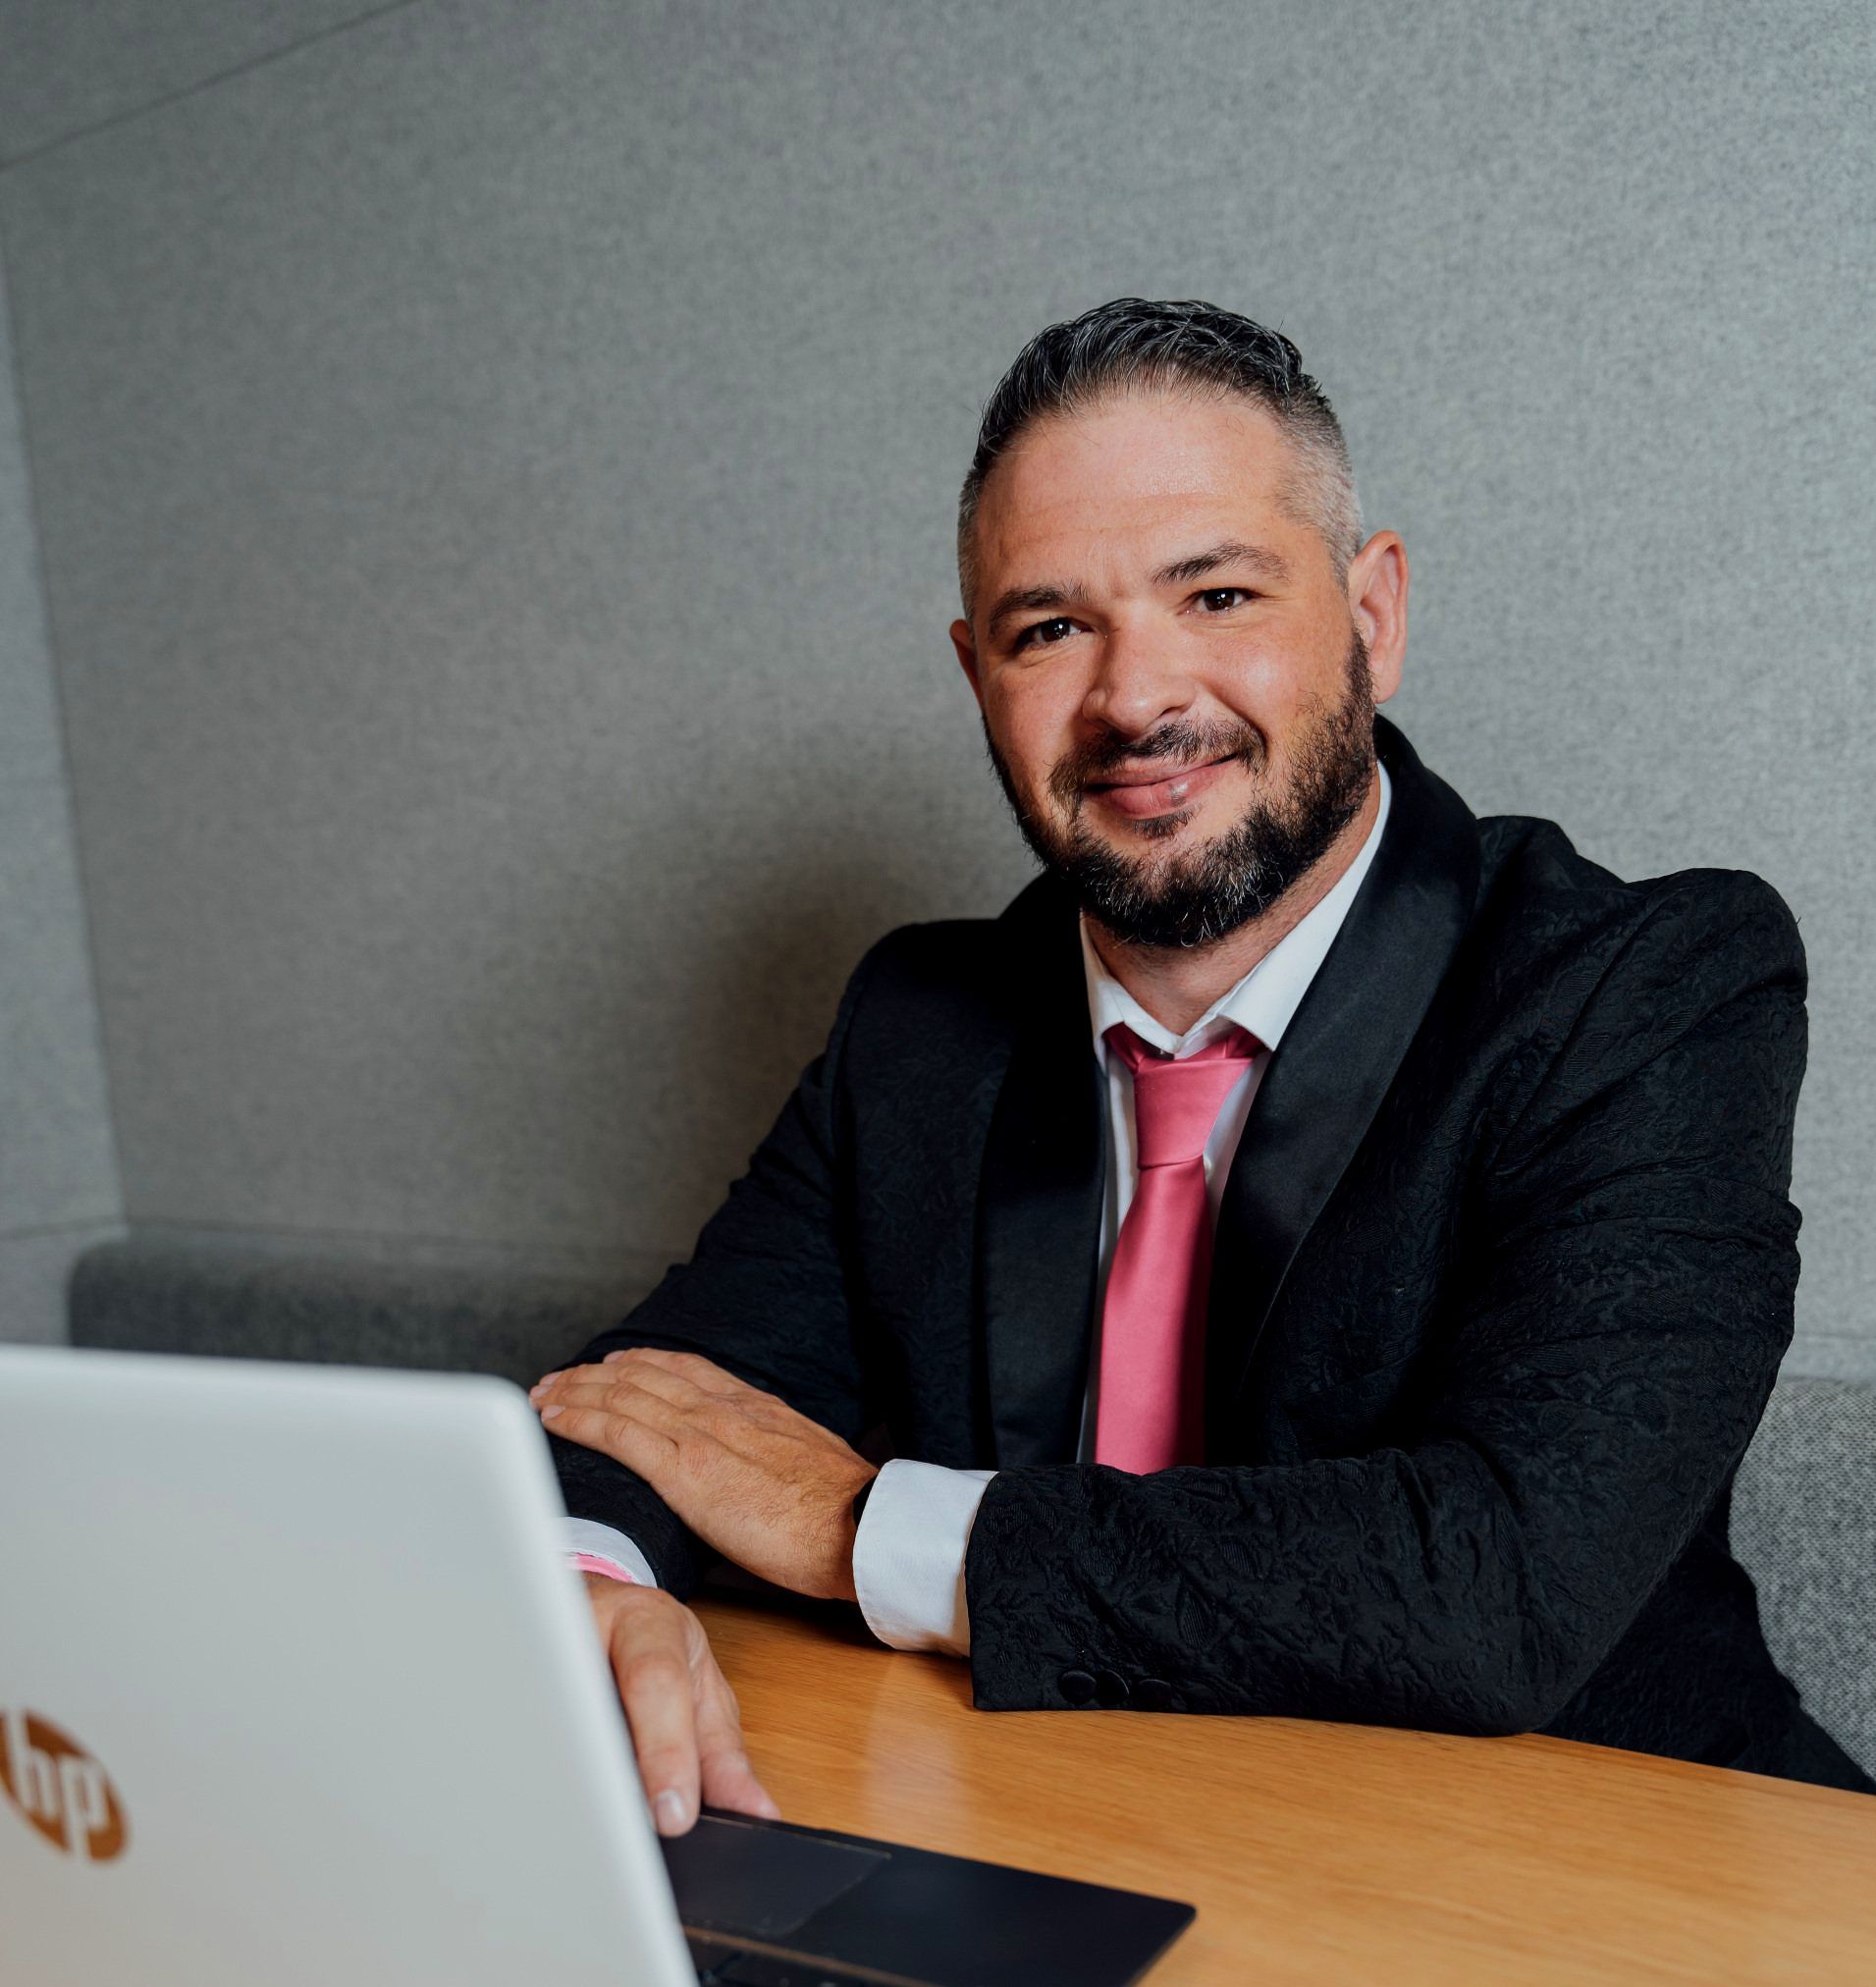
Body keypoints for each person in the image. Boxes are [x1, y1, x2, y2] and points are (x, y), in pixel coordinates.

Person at [528, 297, 1876, 1836]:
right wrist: (588, 1586)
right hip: (1067, 1853)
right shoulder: (922, 1022)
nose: (1137, 698)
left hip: (1611, 1876)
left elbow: (1500, 1581)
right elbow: (654, 1404)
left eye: (1218, 594)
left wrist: (857, 1525)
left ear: (1372, 614)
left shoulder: (1643, 987)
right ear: (979, 673)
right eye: (1052, 628)